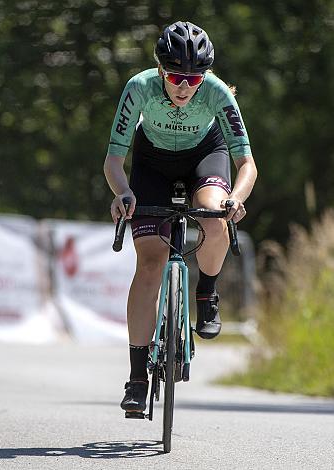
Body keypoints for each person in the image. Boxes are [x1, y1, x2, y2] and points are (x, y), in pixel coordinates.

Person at [104, 21, 257, 415]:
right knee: (151, 264)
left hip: (205, 154)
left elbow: (247, 164)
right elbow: (114, 161)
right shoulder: (139, 88)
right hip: (152, 162)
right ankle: (137, 378)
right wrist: (123, 193)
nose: (184, 87)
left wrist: (236, 199)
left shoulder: (217, 93)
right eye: (175, 76)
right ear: (160, 71)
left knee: (213, 216)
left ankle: (206, 290)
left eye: (193, 78)